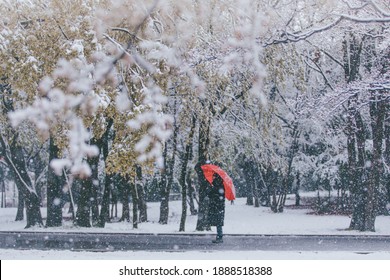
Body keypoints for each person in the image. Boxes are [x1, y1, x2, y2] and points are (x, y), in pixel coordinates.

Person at [208, 173, 226, 243]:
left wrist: (211, 190)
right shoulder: (220, 186)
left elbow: (212, 195)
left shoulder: (217, 186)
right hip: (219, 207)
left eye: (214, 177)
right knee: (218, 222)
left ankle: (219, 237)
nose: (213, 178)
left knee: (218, 222)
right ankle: (219, 236)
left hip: (217, 207)